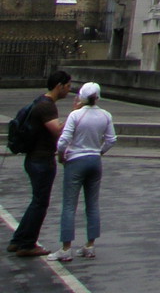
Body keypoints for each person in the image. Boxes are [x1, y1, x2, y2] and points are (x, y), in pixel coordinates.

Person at [6, 69, 72, 258]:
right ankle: (27, 244)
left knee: (36, 202)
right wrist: (75, 115)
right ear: (59, 86)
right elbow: (57, 130)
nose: (69, 90)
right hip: (41, 159)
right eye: (67, 86)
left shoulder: (40, 101)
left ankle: (18, 240)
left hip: (34, 158)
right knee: (40, 203)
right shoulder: (47, 106)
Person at [48, 81, 117, 262]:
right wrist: (99, 152)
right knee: (92, 203)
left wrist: (61, 155)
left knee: (70, 204)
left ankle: (66, 247)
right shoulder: (105, 115)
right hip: (94, 160)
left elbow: (63, 141)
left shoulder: (76, 115)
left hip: (76, 159)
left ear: (81, 97)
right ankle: (89, 245)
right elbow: (111, 139)